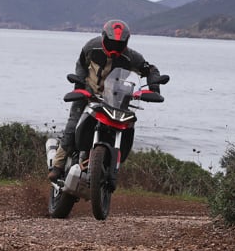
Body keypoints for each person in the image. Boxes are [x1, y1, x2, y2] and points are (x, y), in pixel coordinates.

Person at [48, 19, 163, 181]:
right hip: (88, 93)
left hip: (114, 98)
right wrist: (79, 84)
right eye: (111, 43)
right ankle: (58, 165)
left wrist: (154, 87)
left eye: (119, 44)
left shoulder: (131, 57)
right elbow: (81, 64)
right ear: (104, 38)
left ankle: (107, 164)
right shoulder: (92, 47)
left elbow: (150, 69)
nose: (115, 47)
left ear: (126, 42)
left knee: (124, 125)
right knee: (72, 126)